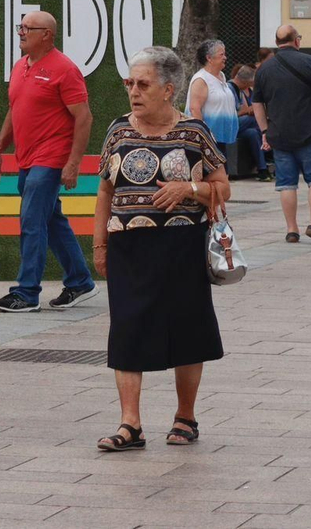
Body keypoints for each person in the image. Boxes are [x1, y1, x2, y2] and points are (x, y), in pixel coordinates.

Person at [91, 46, 229, 452]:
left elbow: (223, 188)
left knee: (188, 328)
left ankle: (185, 417)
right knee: (128, 330)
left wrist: (189, 188)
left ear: (169, 90)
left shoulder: (194, 133)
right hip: (128, 246)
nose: (133, 91)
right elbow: (104, 189)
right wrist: (99, 245)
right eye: (129, 83)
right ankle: (129, 424)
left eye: (143, 84)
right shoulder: (118, 130)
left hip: (182, 245)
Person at [0, 11, 97, 313]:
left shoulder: (64, 69)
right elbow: (14, 109)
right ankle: (80, 281)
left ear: (46, 34)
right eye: (20, 27)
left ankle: (27, 292)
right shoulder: (22, 65)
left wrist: (74, 163)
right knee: (51, 220)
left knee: (32, 221)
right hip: (27, 158)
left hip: (51, 158)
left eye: (27, 28)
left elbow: (84, 117)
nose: (20, 32)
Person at [253, 24, 311, 243]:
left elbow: (257, 103)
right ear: (296, 40)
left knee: (286, 183)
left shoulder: (264, 70)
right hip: (310, 134)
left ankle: (291, 229)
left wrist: (264, 131)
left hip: (279, 136)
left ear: (277, 43)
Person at [187, 40, 240, 181]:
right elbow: (194, 108)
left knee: (222, 178)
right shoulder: (201, 79)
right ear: (209, 58)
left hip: (221, 137)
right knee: (215, 179)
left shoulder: (221, 76)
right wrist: (204, 136)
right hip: (209, 140)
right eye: (221, 54)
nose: (225, 57)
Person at [229, 64, 269, 180]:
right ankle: (270, 139)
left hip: (240, 126)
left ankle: (262, 169)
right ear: (246, 82)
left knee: (252, 133)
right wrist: (246, 111)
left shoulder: (239, 91)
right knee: (254, 120)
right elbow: (234, 114)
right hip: (230, 124)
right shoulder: (229, 89)